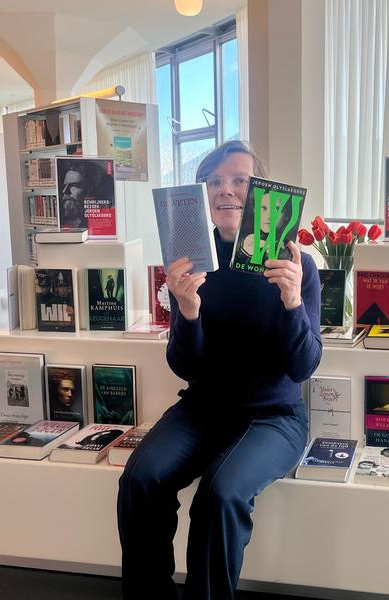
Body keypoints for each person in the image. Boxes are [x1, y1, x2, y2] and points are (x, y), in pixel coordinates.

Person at [117, 140, 321, 600]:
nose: (225, 190)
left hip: (274, 417)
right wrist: (186, 310)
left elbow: (304, 365)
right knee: (139, 480)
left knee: (220, 494)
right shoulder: (189, 266)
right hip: (203, 408)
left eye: (239, 180)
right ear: (203, 194)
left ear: (260, 191)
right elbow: (183, 365)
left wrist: (291, 303)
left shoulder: (294, 265)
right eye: (214, 181)